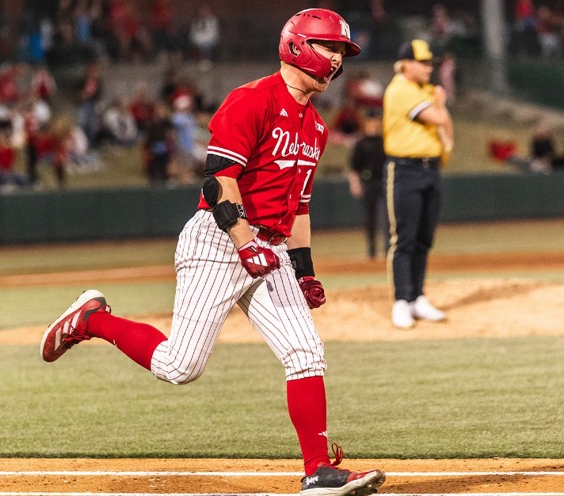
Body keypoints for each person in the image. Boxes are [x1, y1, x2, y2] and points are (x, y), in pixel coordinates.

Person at [39, 9, 385, 496]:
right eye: (330, 48)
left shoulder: (317, 129)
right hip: (219, 240)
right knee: (181, 366)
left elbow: (300, 207)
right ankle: (92, 319)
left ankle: (317, 469)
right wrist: (244, 244)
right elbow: (219, 181)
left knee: (306, 353)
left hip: (271, 245)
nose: (335, 60)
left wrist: (304, 270)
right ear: (298, 46)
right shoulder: (251, 101)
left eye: (340, 53)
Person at [382, 39, 453, 329]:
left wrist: (440, 108)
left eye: (429, 63)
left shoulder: (424, 89)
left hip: (430, 169)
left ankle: (417, 297)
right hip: (405, 169)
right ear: (405, 64)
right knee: (404, 238)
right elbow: (438, 117)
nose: (428, 68)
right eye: (422, 63)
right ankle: (401, 300)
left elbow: (447, 129)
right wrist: (440, 104)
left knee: (424, 238)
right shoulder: (400, 89)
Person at [348, 110, 388, 260]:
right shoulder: (361, 143)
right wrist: (355, 184)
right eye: (371, 121)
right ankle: (372, 251)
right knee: (370, 218)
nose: (374, 124)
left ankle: (387, 249)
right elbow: (354, 167)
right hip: (367, 182)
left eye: (376, 121)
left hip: (383, 181)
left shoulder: (385, 141)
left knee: (386, 217)